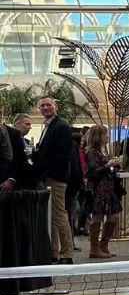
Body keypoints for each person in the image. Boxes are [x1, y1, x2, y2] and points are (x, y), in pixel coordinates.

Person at [32, 97, 75, 265]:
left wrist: (48, 175)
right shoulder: (47, 126)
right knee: (51, 215)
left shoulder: (61, 127)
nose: (45, 107)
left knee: (59, 215)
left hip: (56, 178)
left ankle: (67, 253)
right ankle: (54, 252)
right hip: (47, 177)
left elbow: (62, 156)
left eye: (48, 105)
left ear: (56, 107)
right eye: (42, 105)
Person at [83, 125, 121, 259]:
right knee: (97, 217)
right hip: (98, 188)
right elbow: (92, 172)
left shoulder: (103, 151)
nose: (108, 137)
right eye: (106, 134)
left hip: (108, 188)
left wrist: (113, 166)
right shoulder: (92, 152)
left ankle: (103, 245)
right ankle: (94, 247)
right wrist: (108, 166)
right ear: (99, 136)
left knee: (113, 217)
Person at [1, 114, 33, 191]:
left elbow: (19, 160)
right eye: (27, 124)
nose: (30, 127)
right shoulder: (11, 134)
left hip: (9, 183)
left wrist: (12, 179)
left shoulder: (14, 135)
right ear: (16, 124)